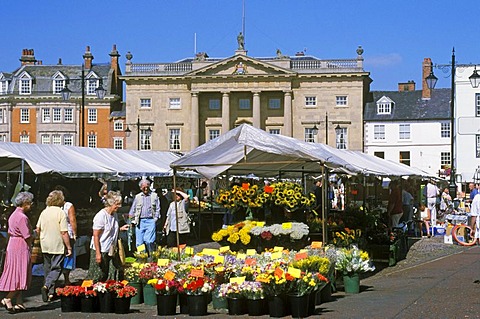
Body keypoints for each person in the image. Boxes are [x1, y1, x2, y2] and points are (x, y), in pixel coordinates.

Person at [0, 192, 34, 313]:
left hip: (13, 244)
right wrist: (35, 235)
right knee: (20, 273)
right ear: (25, 203)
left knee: (16, 272)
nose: (31, 205)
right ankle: (8, 298)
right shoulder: (22, 217)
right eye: (30, 202)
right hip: (20, 246)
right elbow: (27, 235)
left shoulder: (13, 215)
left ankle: (19, 302)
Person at [36, 190, 73, 302]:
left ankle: (50, 293)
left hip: (45, 243)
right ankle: (47, 286)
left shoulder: (44, 212)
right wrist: (69, 247)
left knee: (47, 268)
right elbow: (64, 232)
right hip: (57, 243)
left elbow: (38, 229)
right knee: (57, 268)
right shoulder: (60, 213)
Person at [87, 191, 129, 282]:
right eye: (117, 204)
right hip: (101, 249)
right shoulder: (101, 216)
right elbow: (96, 236)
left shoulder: (114, 215)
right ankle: (91, 293)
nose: (119, 206)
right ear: (111, 203)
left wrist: (120, 229)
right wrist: (98, 254)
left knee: (112, 273)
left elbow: (111, 230)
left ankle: (108, 293)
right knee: (97, 275)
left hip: (111, 249)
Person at [128, 179, 161, 254]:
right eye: (144, 187)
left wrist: (155, 219)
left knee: (149, 240)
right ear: (140, 188)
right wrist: (131, 219)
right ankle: (142, 257)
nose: (146, 189)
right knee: (139, 243)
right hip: (140, 221)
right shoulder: (137, 197)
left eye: (147, 187)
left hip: (150, 220)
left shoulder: (154, 196)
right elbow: (133, 209)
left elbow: (158, 208)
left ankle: (151, 255)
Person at [54, 185, 77, 285]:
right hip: (67, 233)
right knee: (68, 256)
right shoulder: (69, 206)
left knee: (56, 258)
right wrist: (75, 233)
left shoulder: (51, 206)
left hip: (55, 234)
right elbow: (72, 220)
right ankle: (66, 279)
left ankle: (53, 280)